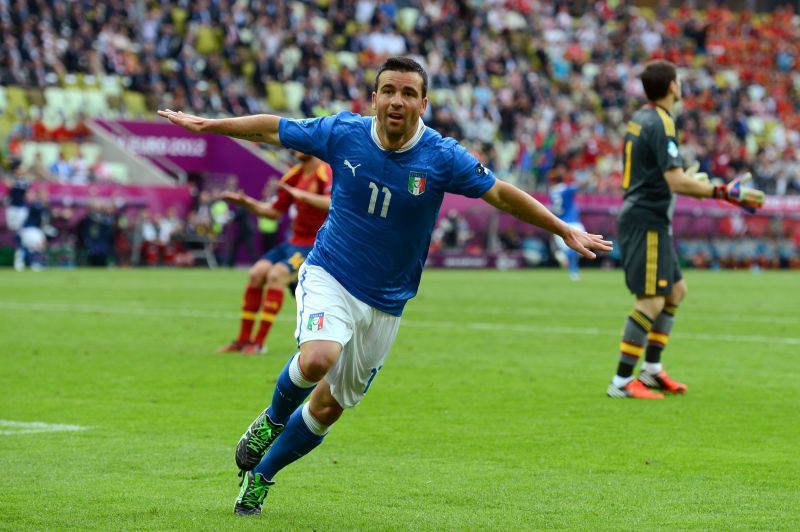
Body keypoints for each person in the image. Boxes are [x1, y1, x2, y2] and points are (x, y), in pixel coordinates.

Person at [158, 56, 612, 516]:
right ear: (374, 98)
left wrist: (561, 228)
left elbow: (499, 193)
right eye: (389, 90)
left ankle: (261, 476)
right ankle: (270, 421)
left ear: (423, 103)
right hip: (330, 272)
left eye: (408, 93)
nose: (397, 100)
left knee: (329, 407)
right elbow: (275, 128)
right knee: (318, 357)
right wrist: (210, 125)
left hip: (387, 303)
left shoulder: (442, 156)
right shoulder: (343, 133)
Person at [609, 60, 765, 400]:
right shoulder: (661, 122)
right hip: (646, 219)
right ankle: (621, 381)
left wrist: (687, 181)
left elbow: (660, 174)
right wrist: (723, 192)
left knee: (676, 292)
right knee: (650, 301)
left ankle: (650, 371)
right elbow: (674, 180)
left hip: (650, 216)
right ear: (673, 87)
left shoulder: (642, 117)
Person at [217, 151, 332, 355]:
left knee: (275, 275)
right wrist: (247, 203)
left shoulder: (326, 172)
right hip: (293, 242)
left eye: (299, 144)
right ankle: (243, 341)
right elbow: (274, 211)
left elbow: (334, 203)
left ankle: (258, 344)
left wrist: (303, 195)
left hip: (314, 245)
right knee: (256, 273)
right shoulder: (293, 176)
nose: (295, 149)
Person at [548, 169, 584, 280]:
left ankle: (573, 271)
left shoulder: (552, 192)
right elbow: (580, 185)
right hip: (573, 222)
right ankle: (567, 260)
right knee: (580, 248)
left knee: (576, 249)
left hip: (560, 224)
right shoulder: (566, 189)